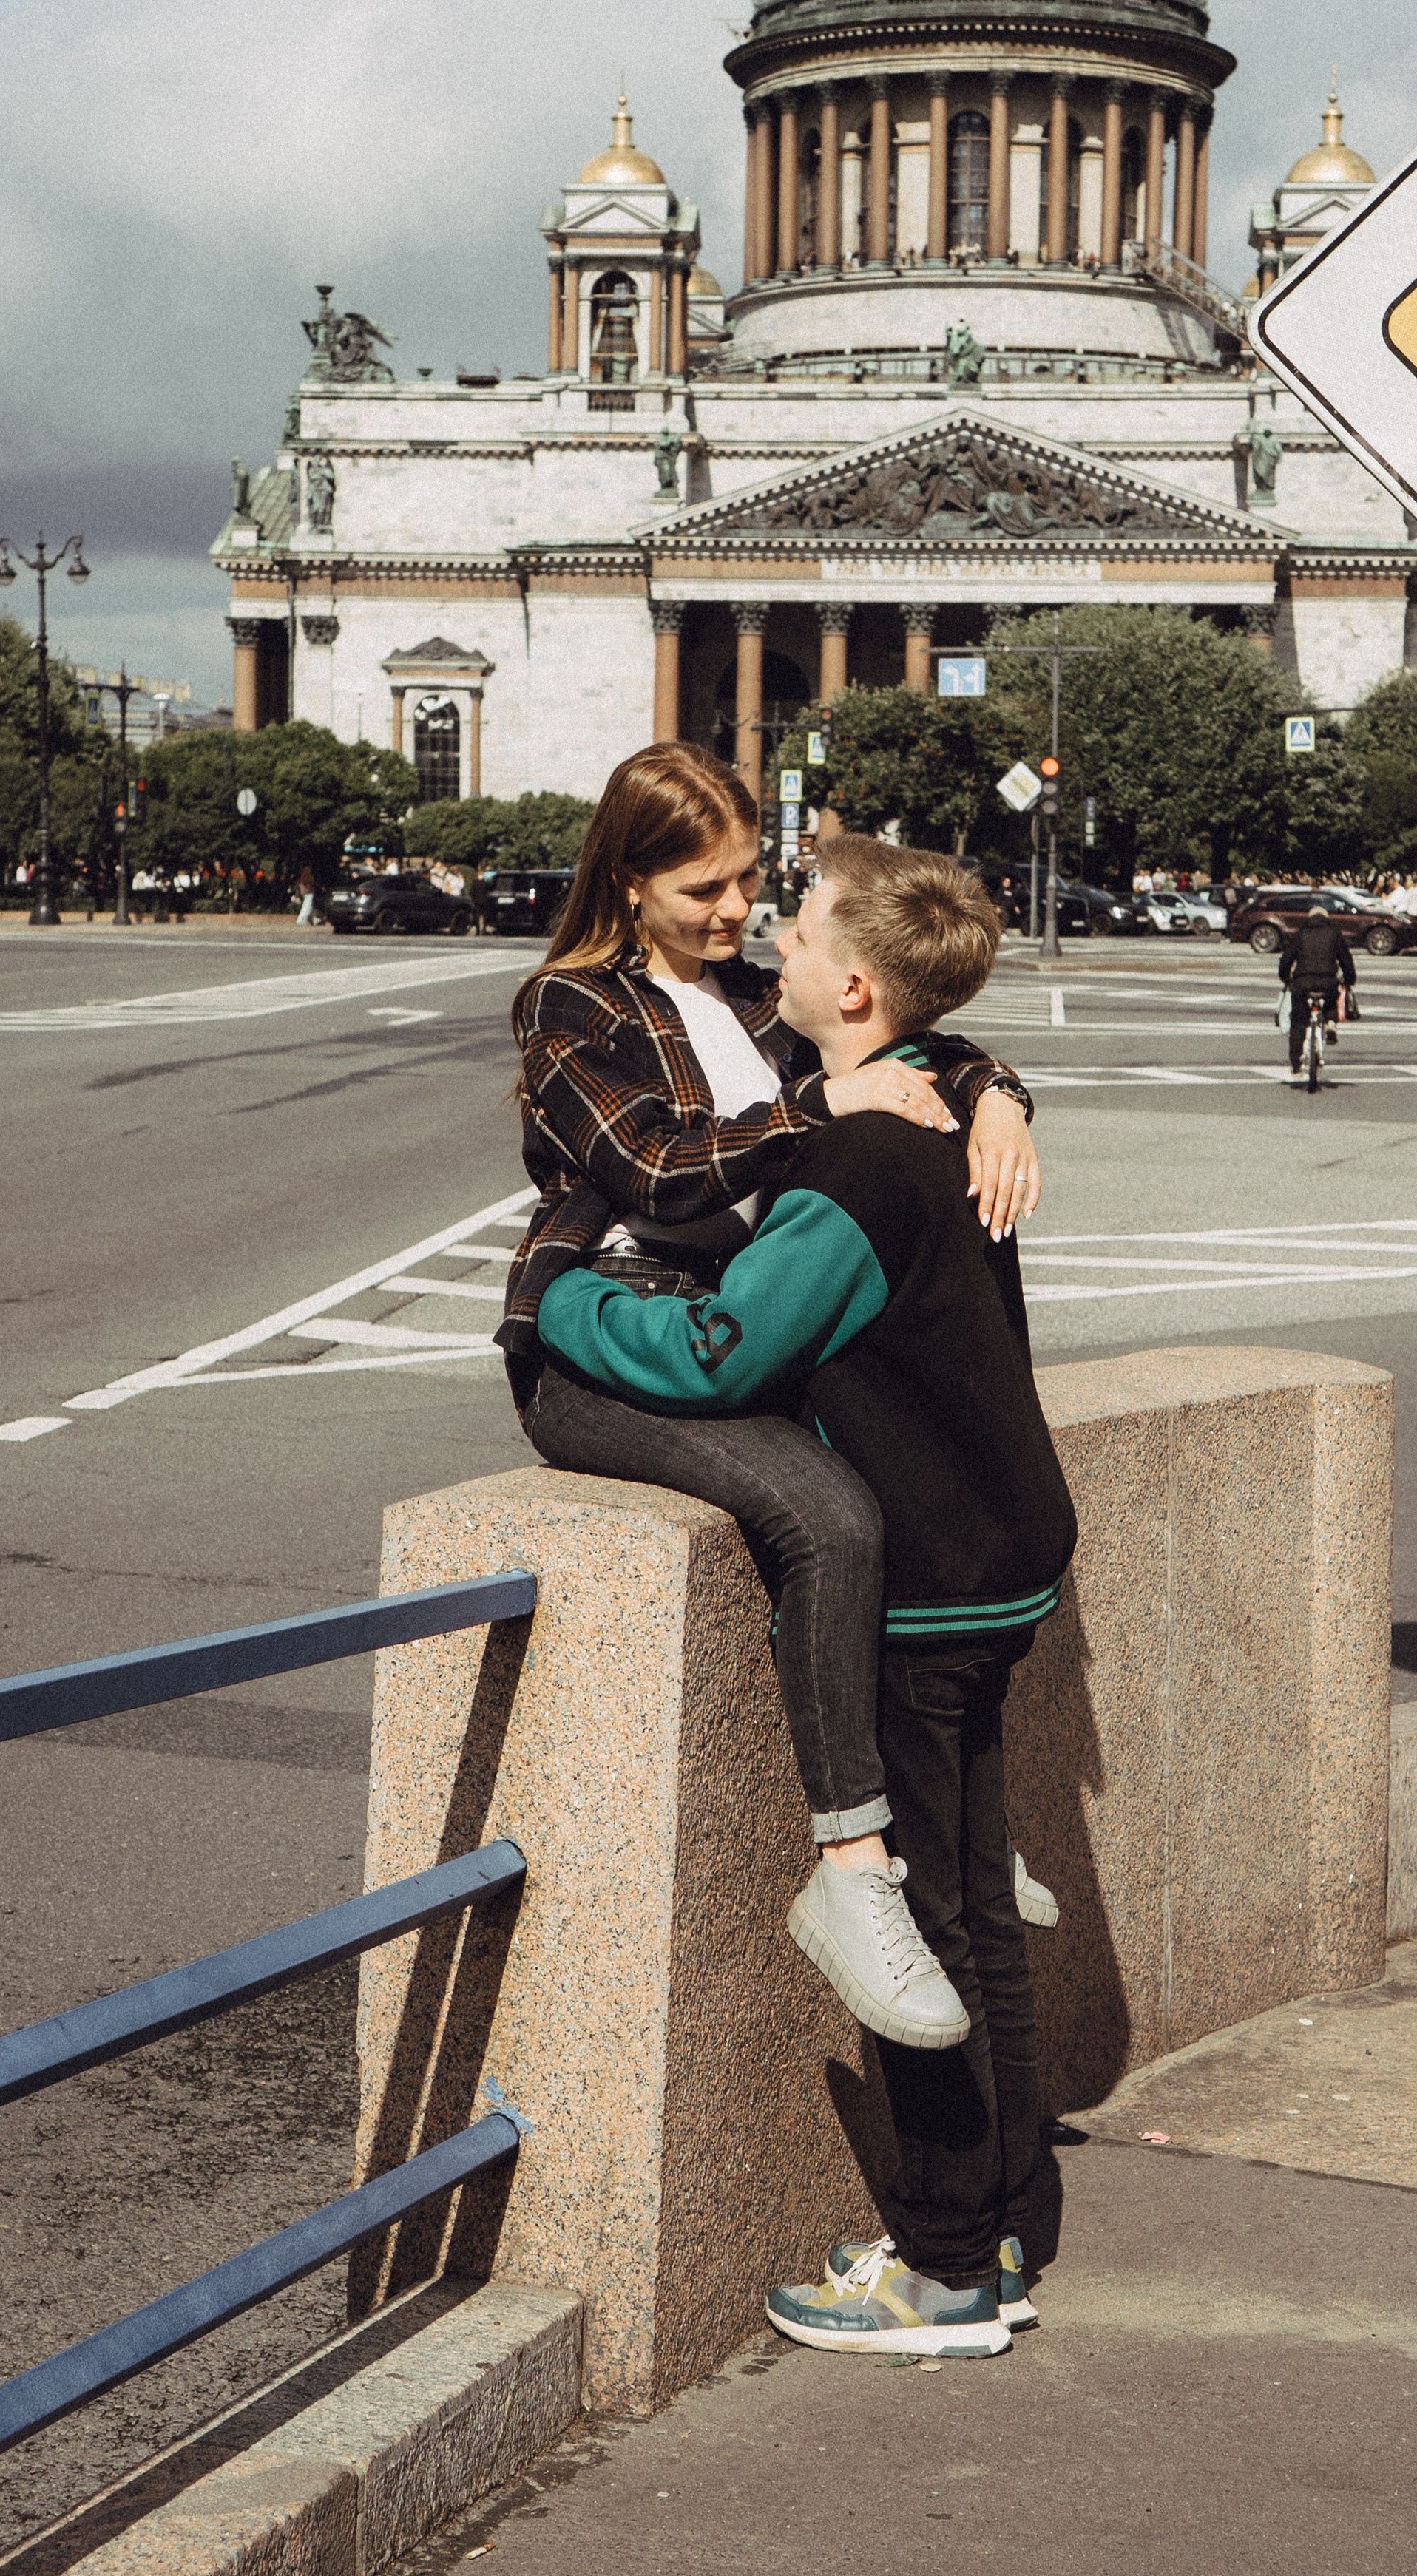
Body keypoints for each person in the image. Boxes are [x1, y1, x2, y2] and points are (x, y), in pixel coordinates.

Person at [538, 835, 1073, 2359]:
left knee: (907, 1934)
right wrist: (998, 1084)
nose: (769, 935)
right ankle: (1013, 2223)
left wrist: (575, 1303)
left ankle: (944, 2267)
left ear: (851, 986)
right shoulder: (941, 1118)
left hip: (917, 1590)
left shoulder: (856, 1160)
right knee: (972, 1913)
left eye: (800, 921)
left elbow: (722, 1358)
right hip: (1005, 1554)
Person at [504, 745, 1041, 2041]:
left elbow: (910, 1025)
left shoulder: (751, 999)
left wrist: (1001, 1097)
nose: (737, 910)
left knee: (905, 1494)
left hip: (734, 1337)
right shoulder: (568, 1008)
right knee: (832, 1520)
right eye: (703, 888)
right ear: (628, 883)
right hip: (603, 1339)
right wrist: (822, 1113)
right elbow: (659, 1167)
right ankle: (856, 1867)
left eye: (750, 879)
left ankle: (935, 1844)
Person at [1279, 898, 1355, 1074]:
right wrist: (1349, 980)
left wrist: (1287, 979)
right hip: (1328, 980)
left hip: (1302, 982)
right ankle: (1330, 1023)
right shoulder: (1334, 934)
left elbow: (1286, 961)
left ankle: (1297, 1064)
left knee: (1298, 1021)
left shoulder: (1300, 934)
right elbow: (1346, 960)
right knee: (1330, 1000)